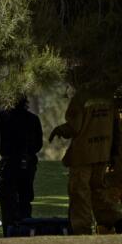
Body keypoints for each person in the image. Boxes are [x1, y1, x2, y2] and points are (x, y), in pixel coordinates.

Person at [50, 87, 120, 234]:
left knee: (80, 193)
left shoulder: (81, 97)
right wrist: (115, 154)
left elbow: (74, 126)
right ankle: (110, 226)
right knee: (99, 192)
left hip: (83, 155)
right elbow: (116, 128)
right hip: (103, 153)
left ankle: (82, 231)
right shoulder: (109, 97)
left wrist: (60, 130)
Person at [0, 96, 43, 229]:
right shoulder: (33, 118)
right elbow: (39, 144)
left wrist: (5, 152)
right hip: (27, 163)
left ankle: (10, 229)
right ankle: (25, 227)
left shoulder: (2, 116)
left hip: (8, 163)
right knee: (25, 198)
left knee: (7, 199)